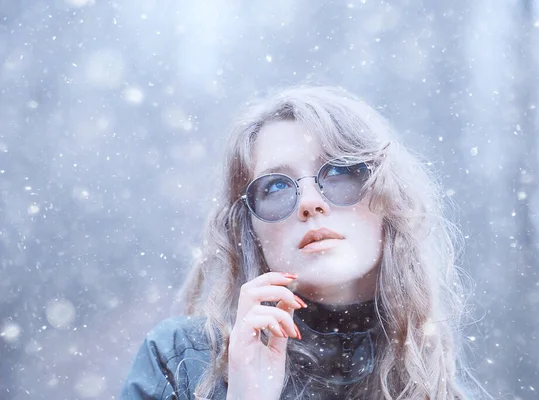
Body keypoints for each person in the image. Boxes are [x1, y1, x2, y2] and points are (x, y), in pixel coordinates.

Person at [120, 86, 485, 399]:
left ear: (388, 199)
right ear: (250, 227)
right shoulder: (180, 362)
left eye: (341, 170)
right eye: (276, 186)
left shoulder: (437, 390)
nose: (311, 203)